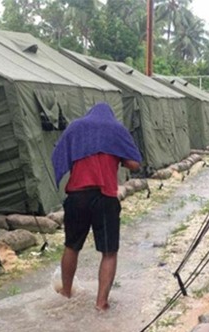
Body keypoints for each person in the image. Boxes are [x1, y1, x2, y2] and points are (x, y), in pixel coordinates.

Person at [51, 102, 142, 311]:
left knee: (71, 246)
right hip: (105, 197)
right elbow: (135, 163)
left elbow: (59, 155)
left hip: (77, 196)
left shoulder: (76, 127)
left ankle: (66, 293)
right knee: (109, 252)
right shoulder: (116, 130)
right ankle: (101, 303)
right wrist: (116, 154)